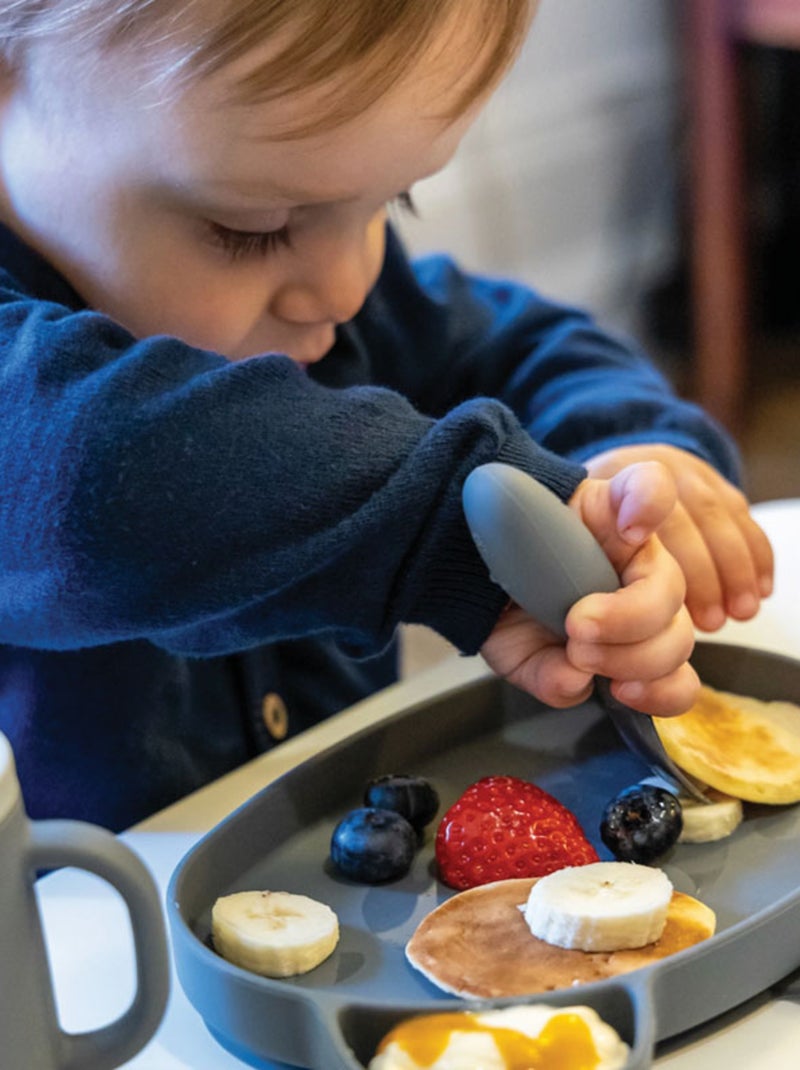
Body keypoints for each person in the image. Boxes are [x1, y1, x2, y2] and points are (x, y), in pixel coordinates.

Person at [0, 0, 772, 831]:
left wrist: (629, 463)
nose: (344, 289)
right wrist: (447, 524)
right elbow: (98, 481)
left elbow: (519, 343)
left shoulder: (316, 275)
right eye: (249, 229)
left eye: (392, 200)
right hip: (84, 935)